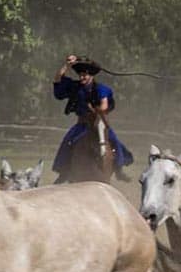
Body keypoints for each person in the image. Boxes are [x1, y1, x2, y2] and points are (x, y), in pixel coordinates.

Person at [52, 54, 133, 182]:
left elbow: (104, 106)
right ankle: (64, 172)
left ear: (92, 76)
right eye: (81, 74)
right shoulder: (75, 87)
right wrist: (67, 65)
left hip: (99, 122)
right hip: (82, 125)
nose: (82, 77)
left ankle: (119, 169)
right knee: (68, 142)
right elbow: (57, 80)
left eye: (85, 74)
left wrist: (96, 111)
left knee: (114, 141)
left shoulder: (102, 89)